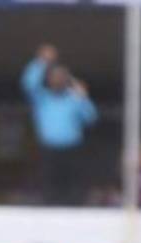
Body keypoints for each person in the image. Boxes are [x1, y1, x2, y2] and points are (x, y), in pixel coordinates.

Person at [20, 44, 97, 206]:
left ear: (67, 80)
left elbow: (91, 118)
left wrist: (83, 98)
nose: (58, 79)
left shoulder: (73, 98)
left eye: (62, 77)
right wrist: (41, 62)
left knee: (74, 190)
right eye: (55, 76)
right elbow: (28, 83)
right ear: (49, 80)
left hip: (72, 150)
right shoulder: (42, 98)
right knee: (49, 189)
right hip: (49, 151)